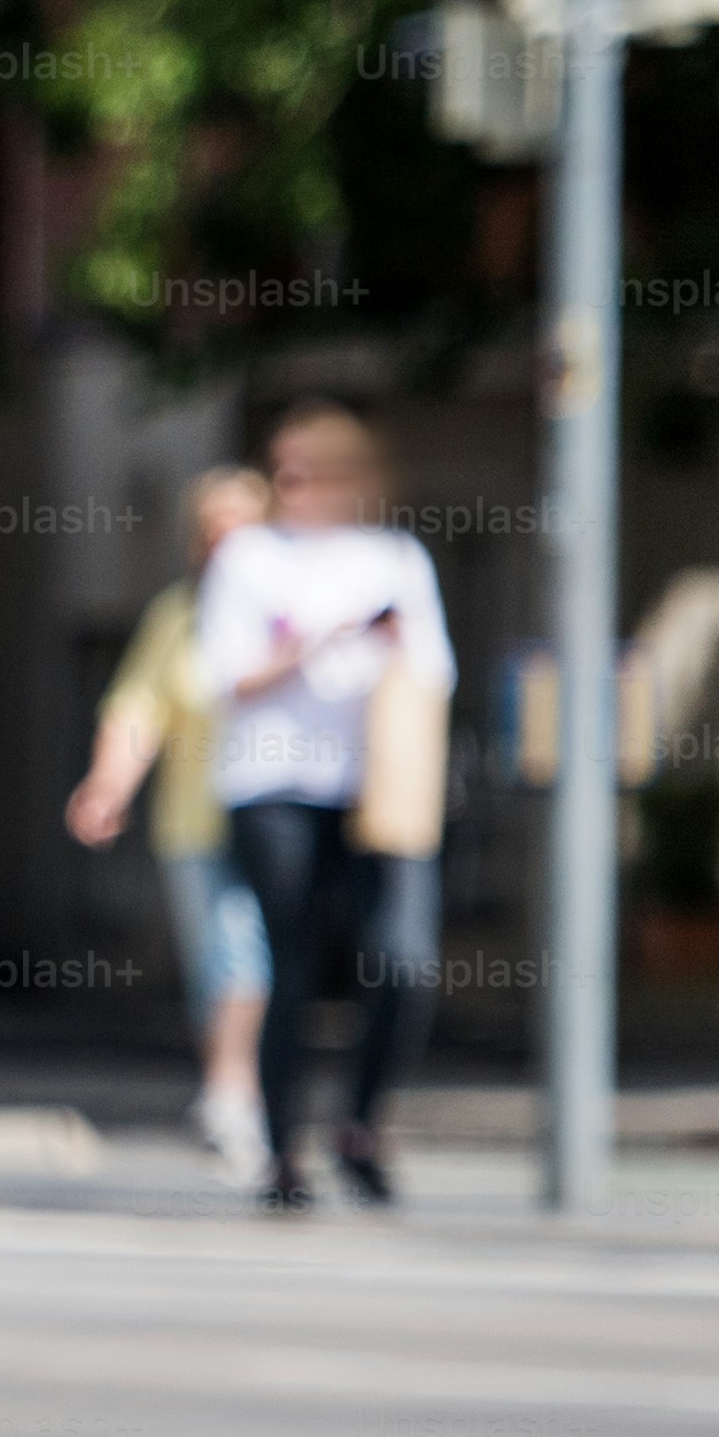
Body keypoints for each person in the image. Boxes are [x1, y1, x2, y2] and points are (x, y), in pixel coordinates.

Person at [189, 400, 453, 1209]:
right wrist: (316, 642)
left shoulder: (394, 557)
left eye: (318, 472)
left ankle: (361, 1126)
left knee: (401, 960)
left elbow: (431, 672)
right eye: (287, 473)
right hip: (272, 785)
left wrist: (378, 646)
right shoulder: (248, 559)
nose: (299, 489)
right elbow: (222, 676)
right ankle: (281, 1154)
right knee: (292, 966)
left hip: (373, 790)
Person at [66, 467, 276, 1187]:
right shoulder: (178, 616)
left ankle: (236, 1091)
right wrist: (106, 787)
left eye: (240, 528)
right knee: (222, 954)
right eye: (212, 531)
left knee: (247, 953)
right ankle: (232, 1091)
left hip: (283, 819)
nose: (225, 546)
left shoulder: (292, 614)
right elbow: (136, 709)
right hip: (196, 821)